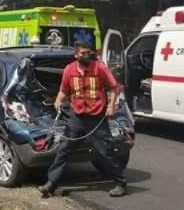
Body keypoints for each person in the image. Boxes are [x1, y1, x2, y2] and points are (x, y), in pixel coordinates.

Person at [39, 41, 127, 198]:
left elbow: (114, 88)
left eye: (88, 53)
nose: (86, 55)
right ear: (76, 55)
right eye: (83, 53)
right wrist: (58, 101)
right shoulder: (69, 70)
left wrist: (111, 106)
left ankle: (120, 183)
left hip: (96, 116)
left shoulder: (99, 68)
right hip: (77, 116)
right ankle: (51, 184)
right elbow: (63, 91)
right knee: (64, 149)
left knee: (105, 151)